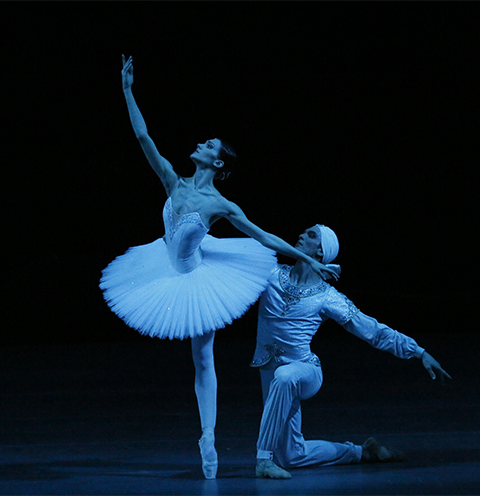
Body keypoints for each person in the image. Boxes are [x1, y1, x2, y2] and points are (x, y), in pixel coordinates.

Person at [99, 56, 339, 480]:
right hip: (161, 265)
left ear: (218, 164)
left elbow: (264, 237)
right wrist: (127, 89)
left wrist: (305, 258)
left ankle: (207, 438)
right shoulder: (173, 181)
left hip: (197, 275)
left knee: (204, 359)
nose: (202, 144)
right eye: (205, 141)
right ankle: (209, 436)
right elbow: (141, 135)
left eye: (210, 145)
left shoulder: (220, 205)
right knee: (201, 357)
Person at [251, 224, 452, 479]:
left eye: (311, 235)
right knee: (292, 455)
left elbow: (374, 331)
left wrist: (419, 351)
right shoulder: (271, 274)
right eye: (304, 231)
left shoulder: (327, 297)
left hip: (304, 371)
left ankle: (263, 459)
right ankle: (363, 452)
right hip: (273, 373)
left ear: (321, 252)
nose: (301, 235)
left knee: (285, 376)